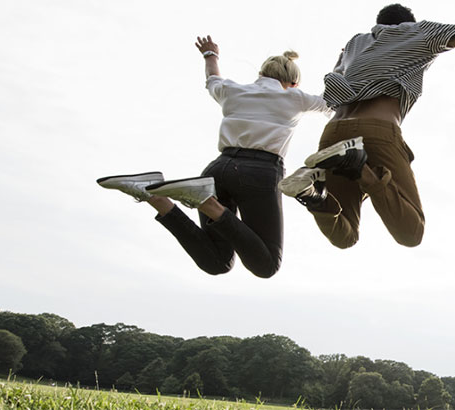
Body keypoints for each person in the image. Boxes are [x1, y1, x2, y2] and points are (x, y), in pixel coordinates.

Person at [97, 36, 330, 278]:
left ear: (260, 74)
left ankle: (155, 197)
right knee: (266, 265)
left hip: (217, 170)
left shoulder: (233, 90)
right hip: (259, 172)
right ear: (292, 82)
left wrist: (211, 54)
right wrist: (343, 63)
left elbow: (212, 79)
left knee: (217, 262)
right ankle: (207, 202)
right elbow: (331, 103)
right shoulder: (295, 97)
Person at [278, 4, 455, 249]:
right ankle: (359, 167)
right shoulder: (420, 32)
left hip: (333, 132)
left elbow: (337, 72)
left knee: (345, 236)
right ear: (409, 22)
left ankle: (312, 194)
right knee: (412, 232)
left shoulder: (355, 44)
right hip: (376, 130)